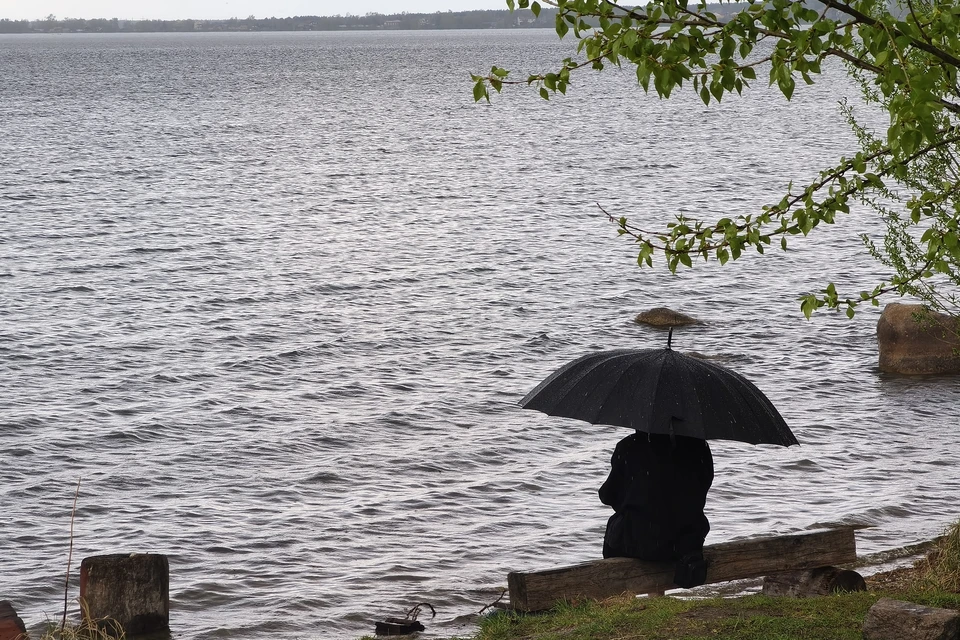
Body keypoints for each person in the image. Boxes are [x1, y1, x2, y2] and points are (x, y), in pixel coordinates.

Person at [599, 431, 713, 588]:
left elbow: (608, 496)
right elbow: (702, 488)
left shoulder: (630, 445)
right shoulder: (699, 447)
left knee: (615, 525)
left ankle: (616, 590)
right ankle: (656, 595)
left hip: (643, 541)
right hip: (685, 542)